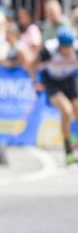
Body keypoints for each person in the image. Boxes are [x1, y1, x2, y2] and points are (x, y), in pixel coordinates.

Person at [31, 25, 78, 165]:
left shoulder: (76, 49)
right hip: (52, 81)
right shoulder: (49, 50)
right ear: (59, 45)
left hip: (69, 79)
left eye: (69, 47)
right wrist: (35, 82)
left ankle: (74, 142)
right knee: (66, 110)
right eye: (64, 47)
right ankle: (68, 150)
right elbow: (31, 64)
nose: (67, 50)